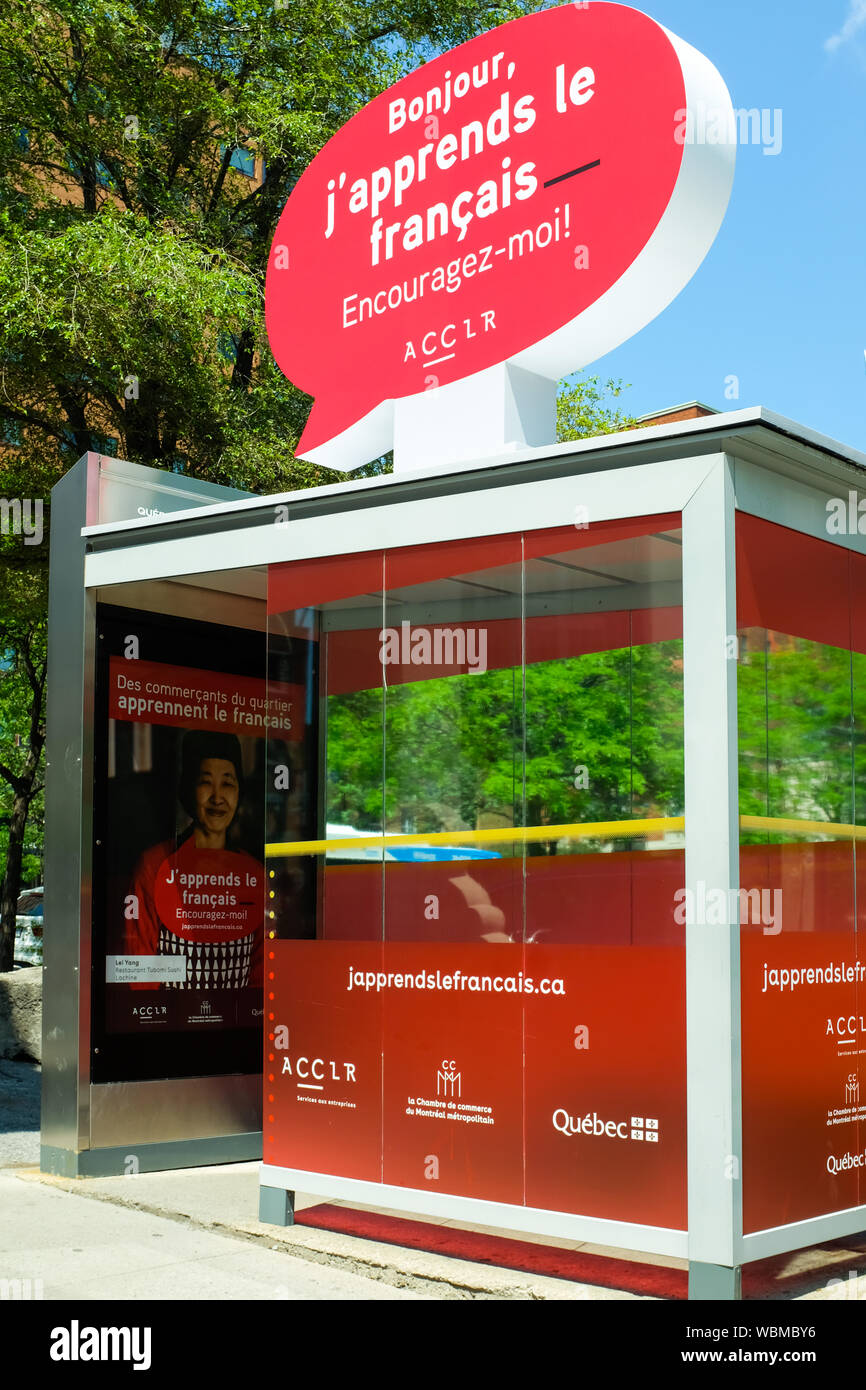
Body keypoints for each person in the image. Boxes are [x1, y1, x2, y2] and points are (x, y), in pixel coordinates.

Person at [123, 730, 263, 990]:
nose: (218, 797)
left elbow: (260, 972)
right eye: (205, 781)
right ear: (189, 788)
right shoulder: (156, 865)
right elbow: (139, 969)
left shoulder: (254, 874)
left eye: (228, 782)